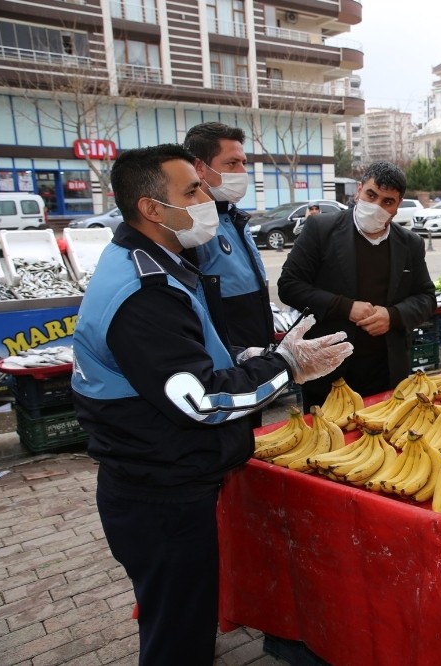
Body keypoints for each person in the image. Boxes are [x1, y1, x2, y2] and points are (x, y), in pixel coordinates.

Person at [71, 144, 353, 665]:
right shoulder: (144, 291)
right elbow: (200, 400)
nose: (207, 196)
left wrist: (249, 357)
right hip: (160, 493)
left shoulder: (159, 262)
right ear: (152, 209)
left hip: (165, 478)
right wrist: (285, 367)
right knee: (177, 636)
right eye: (192, 190)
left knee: (181, 618)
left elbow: (189, 355)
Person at [278, 161, 436, 408]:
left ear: (397, 206)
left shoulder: (410, 243)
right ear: (359, 191)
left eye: (387, 201)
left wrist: (393, 316)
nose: (376, 206)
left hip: (387, 371)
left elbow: (426, 298)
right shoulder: (321, 229)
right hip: (328, 371)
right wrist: (345, 307)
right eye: (371, 195)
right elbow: (289, 286)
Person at [183, 122, 272, 351]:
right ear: (199, 167)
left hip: (258, 354)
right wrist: (235, 356)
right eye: (232, 163)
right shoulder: (191, 226)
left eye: (243, 163)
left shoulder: (235, 217)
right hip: (227, 360)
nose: (242, 172)